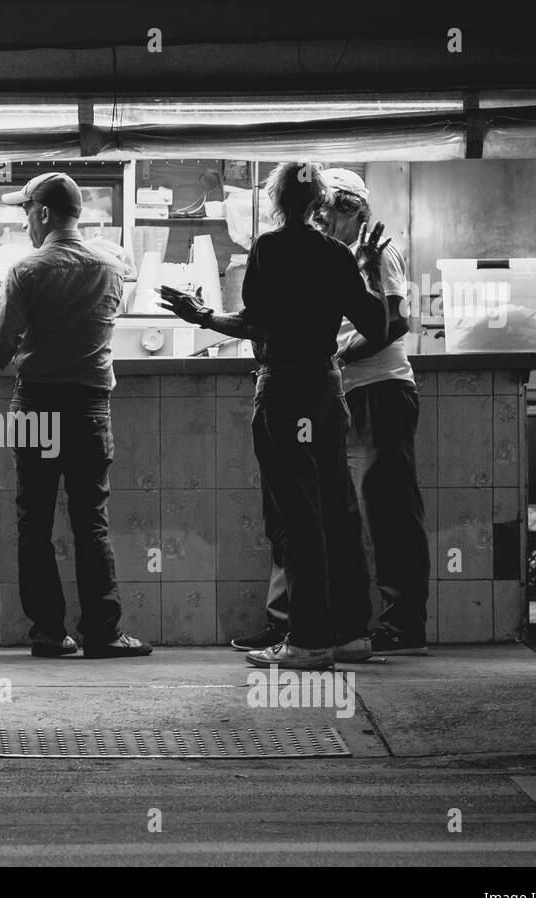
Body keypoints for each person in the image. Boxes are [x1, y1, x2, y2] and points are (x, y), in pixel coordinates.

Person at [162, 162, 390, 669]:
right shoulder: (336, 254)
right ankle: (352, 633)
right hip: (326, 393)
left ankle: (307, 642)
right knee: (338, 511)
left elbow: (254, 324)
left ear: (274, 200)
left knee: (297, 516)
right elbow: (377, 325)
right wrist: (366, 267)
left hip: (285, 391)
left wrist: (201, 316)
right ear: (318, 204)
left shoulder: (269, 248)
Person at [0, 172, 151, 659]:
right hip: (89, 409)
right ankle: (104, 631)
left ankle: (49, 634)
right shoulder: (112, 263)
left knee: (33, 523)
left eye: (25, 214)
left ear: (41, 214)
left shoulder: (27, 270)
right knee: (91, 522)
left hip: (37, 406)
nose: (24, 224)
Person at [320, 169, 430, 655]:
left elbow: (394, 320)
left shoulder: (378, 249)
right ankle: (364, 624)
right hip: (352, 393)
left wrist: (339, 358)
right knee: (360, 511)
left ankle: (404, 627)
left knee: (390, 511)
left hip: (381, 391)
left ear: (351, 209)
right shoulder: (337, 254)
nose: (319, 218)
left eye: (326, 209)